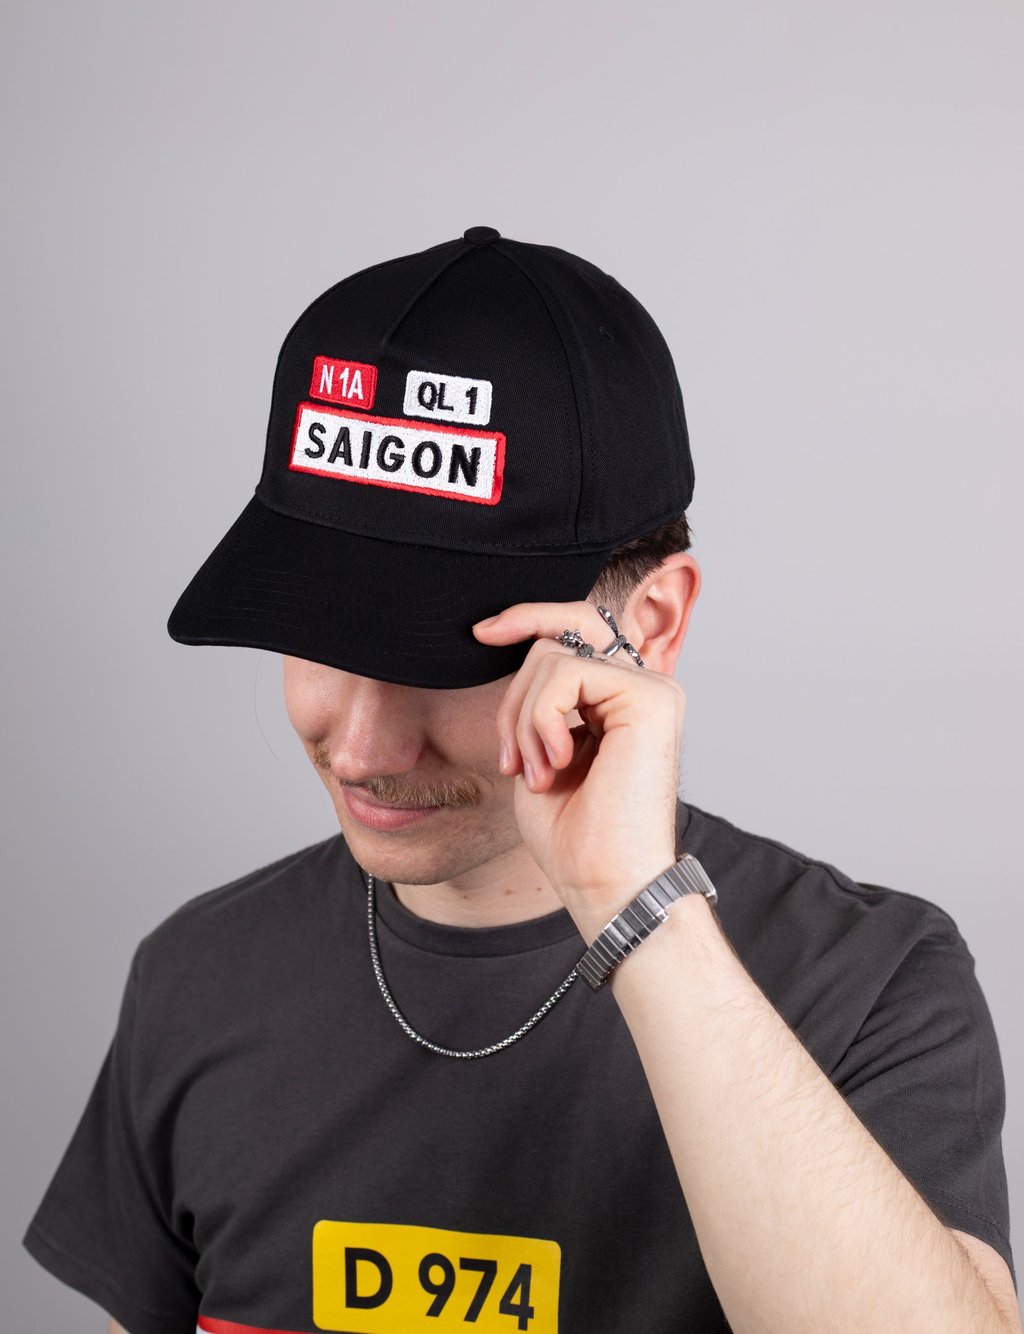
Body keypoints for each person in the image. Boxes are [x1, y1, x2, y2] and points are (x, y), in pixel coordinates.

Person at [23, 226, 1020, 1334]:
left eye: (444, 658)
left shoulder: (867, 984)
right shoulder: (197, 979)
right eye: (315, 638)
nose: (363, 747)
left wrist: (631, 904)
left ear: (648, 626)